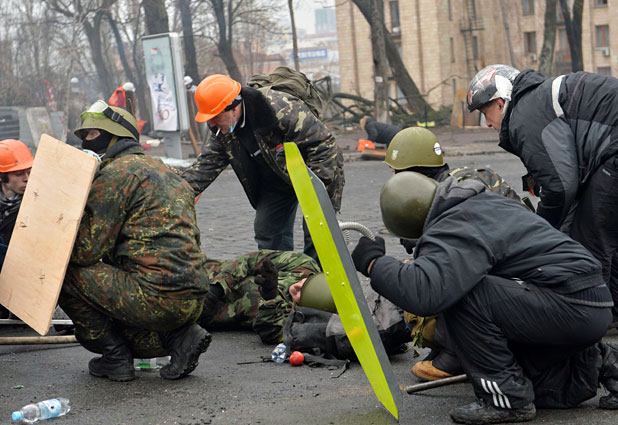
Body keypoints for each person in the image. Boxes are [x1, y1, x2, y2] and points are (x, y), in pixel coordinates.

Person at [351, 171, 617, 424]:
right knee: (534, 382)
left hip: (567, 304)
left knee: (464, 296)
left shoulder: (453, 226)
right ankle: (604, 363)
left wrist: (373, 263)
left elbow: (426, 292)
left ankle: (506, 400)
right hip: (588, 301)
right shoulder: (481, 204)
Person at [58, 101, 212, 382]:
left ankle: (115, 358)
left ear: (115, 136)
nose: (86, 143)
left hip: (156, 299)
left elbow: (85, 252)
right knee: (117, 298)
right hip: (194, 298)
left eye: (92, 134)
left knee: (63, 272)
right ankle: (179, 338)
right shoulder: (165, 170)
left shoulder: (116, 174)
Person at [467, 64, 618, 324]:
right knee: (606, 232)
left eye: (485, 113)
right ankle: (612, 312)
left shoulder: (525, 114)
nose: (487, 123)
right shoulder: (539, 99)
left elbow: (560, 187)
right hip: (608, 153)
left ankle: (591, 320)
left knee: (590, 238)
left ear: (500, 103)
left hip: (612, 154)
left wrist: (540, 232)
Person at [383, 126, 534, 381]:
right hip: (538, 284)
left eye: (395, 172)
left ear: (407, 174)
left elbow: (453, 273)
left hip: (511, 297)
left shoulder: (441, 202)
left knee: (424, 282)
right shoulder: (475, 178)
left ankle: (457, 354)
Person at [181, 74, 344, 261]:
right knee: (267, 230)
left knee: (317, 230)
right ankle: (281, 274)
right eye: (209, 118)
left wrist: (316, 192)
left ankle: (322, 276)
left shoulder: (281, 108)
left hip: (313, 171)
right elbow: (205, 165)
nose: (211, 123)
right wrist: (176, 193)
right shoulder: (222, 131)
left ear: (234, 107)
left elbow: (324, 145)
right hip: (275, 179)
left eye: (215, 116)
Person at [198, 250, 324, 344]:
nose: (297, 288)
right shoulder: (303, 264)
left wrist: (270, 297)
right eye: (305, 284)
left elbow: (270, 332)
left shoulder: (298, 319)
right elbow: (251, 260)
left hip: (204, 315)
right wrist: (217, 288)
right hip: (202, 274)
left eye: (302, 294)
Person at [0, 139, 33, 319]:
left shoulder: (38, 198)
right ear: (2, 177)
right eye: (19, 174)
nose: (26, 178)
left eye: (29, 171)